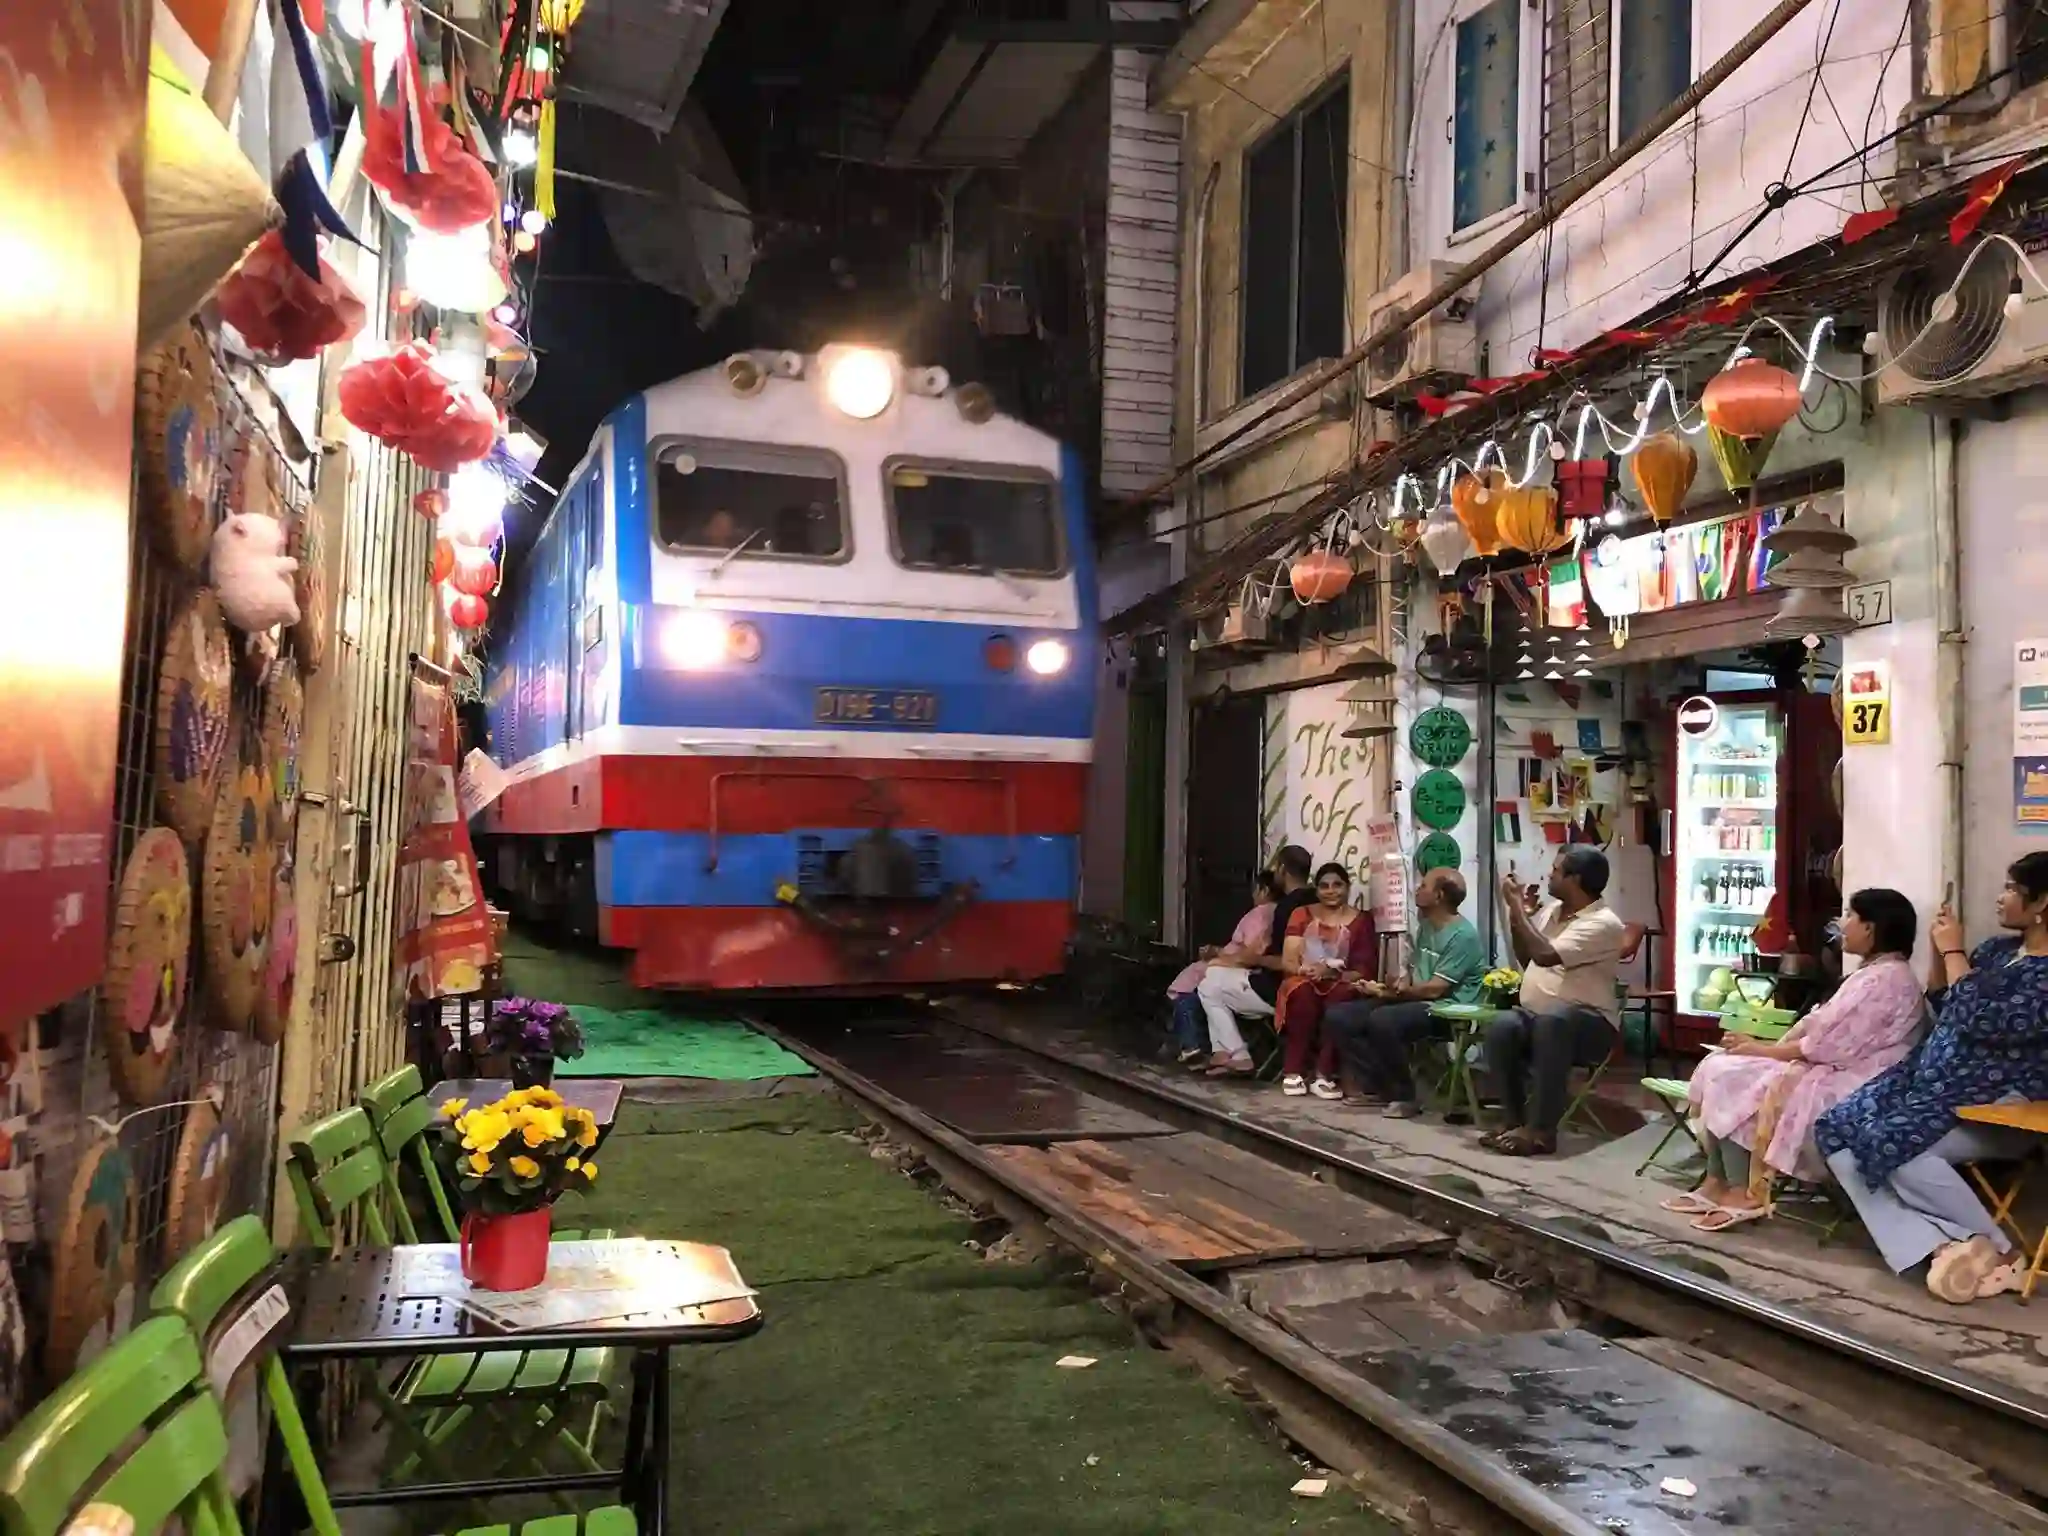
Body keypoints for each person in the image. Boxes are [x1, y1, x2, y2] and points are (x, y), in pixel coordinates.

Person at [1814, 854, 2048, 1303]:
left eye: (2012, 889)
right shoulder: (1998, 952)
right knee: (1836, 1132)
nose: (2000, 897)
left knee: (1891, 1145)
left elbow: (1984, 1020)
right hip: (1928, 1083)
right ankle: (1945, 1247)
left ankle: (1998, 1253)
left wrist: (1955, 952)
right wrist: (1944, 958)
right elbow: (1947, 1005)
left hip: (1994, 1102)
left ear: (2042, 905)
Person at [1665, 888, 1925, 1232]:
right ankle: (1717, 1182)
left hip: (1854, 1084)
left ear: (1871, 929)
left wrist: (1760, 1049)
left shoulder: (1885, 979)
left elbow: (1827, 1045)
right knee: (1723, 1068)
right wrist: (1758, 1048)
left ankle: (1746, 1191)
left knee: (1732, 1077)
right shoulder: (1876, 973)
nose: (1841, 924)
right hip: (1834, 1070)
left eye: (1850, 916)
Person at [1481, 847, 1629, 1156]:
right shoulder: (1552, 911)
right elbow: (1528, 958)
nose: (1549, 874)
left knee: (1553, 1020)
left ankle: (1542, 1132)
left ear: (1574, 879)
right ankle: (1515, 1122)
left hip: (1591, 1026)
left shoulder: (1603, 922)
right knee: (1503, 1024)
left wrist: (1518, 909)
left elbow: (1546, 956)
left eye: (1556, 870)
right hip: (1542, 1019)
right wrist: (1516, 915)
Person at [1325, 868, 1487, 1115]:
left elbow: (1434, 990)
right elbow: (1415, 976)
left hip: (1448, 1009)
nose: (1417, 890)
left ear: (1440, 896)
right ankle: (1377, 1087)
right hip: (1418, 1001)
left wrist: (1396, 992)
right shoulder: (1426, 927)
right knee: (1341, 1017)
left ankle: (1405, 1097)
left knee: (1384, 1020)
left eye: (1424, 886)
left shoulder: (1463, 935)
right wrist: (1388, 986)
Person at [1197, 846, 1315, 1077]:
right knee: (1212, 977)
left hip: (1279, 989)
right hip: (1297, 982)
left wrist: (1253, 959)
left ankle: (1237, 1054)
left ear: (1282, 869)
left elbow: (1284, 961)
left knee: (1207, 984)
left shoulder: (1288, 908)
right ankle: (1224, 1052)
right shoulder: (1314, 900)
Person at [1272, 864, 1378, 1099]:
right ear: (1316, 890)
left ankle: (1324, 1074)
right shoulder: (1301, 914)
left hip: (1341, 979)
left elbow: (1363, 969)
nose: (1331, 891)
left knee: (1340, 999)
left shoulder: (1361, 920)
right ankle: (1293, 1071)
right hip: (1304, 976)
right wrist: (1306, 969)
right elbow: (1288, 960)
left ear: (1347, 887)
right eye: (1324, 886)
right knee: (1302, 995)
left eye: (1337, 885)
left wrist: (1333, 973)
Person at [1165, 872, 1279, 1067]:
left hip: (1243, 975)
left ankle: (1195, 1045)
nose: (1253, 896)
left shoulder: (1260, 914)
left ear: (1264, 890)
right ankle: (1216, 1050)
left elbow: (1251, 952)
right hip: (1246, 973)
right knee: (1204, 986)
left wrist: (1218, 958)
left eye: (1255, 890)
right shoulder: (1279, 912)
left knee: (1194, 991)